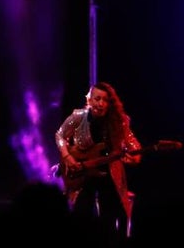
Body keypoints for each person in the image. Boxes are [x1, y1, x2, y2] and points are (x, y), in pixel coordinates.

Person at [54, 81, 141, 242]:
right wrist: (68, 157)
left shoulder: (120, 121)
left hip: (109, 175)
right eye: (97, 99)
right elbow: (60, 135)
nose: (100, 104)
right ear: (90, 100)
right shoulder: (78, 117)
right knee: (81, 216)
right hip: (83, 176)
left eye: (105, 100)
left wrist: (135, 156)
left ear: (110, 103)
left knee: (109, 219)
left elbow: (132, 143)